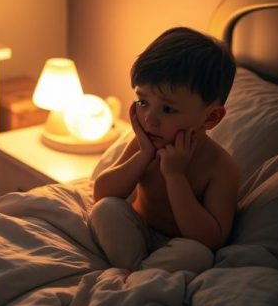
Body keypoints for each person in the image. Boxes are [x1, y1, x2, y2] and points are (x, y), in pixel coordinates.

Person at [90, 27, 239, 276]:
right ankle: (139, 273)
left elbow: (211, 239)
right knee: (105, 209)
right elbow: (102, 193)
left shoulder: (220, 167)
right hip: (136, 229)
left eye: (168, 110)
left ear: (211, 117)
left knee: (198, 254)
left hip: (180, 244)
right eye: (143, 102)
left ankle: (135, 277)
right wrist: (143, 156)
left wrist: (175, 176)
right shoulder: (145, 144)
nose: (149, 120)